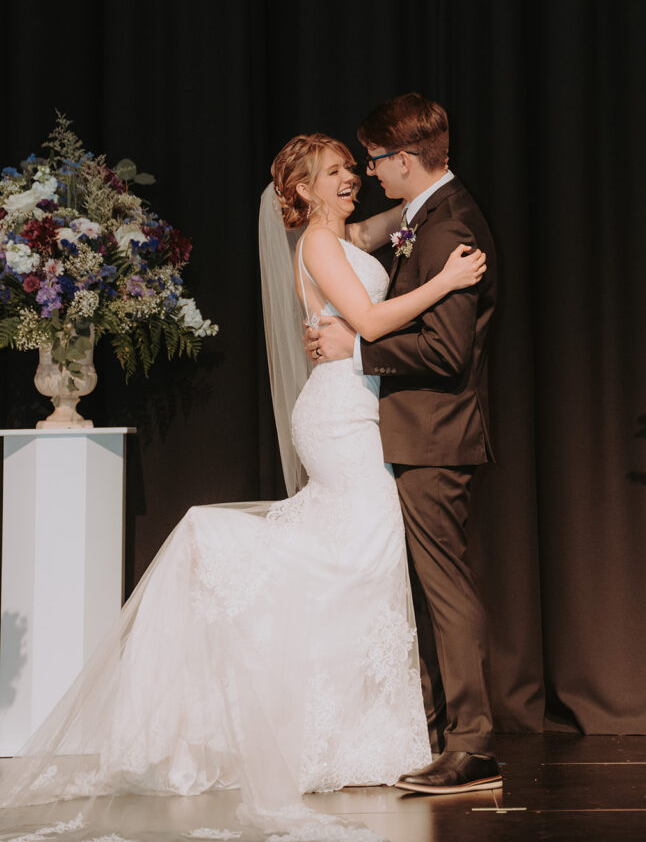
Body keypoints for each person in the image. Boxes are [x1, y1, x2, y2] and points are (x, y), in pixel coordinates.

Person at [0, 132, 486, 841]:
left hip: (360, 408)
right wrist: (445, 283)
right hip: (341, 414)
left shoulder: (349, 231)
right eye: (332, 173)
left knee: (357, 559)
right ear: (300, 191)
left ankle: (350, 734)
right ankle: (321, 726)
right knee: (360, 551)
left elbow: (414, 206)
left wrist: (428, 166)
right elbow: (373, 321)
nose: (350, 177)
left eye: (353, 166)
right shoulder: (318, 246)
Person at [305, 94, 502, 796]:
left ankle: (473, 745)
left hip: (435, 434)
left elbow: (447, 351)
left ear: (405, 158)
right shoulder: (427, 218)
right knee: (417, 586)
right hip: (407, 431)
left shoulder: (452, 226)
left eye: (377, 158)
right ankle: (432, 727)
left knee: (444, 587)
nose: (370, 171)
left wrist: (355, 352)